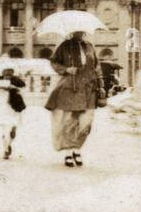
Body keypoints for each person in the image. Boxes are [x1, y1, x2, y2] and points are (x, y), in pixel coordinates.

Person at [44, 30, 106, 167]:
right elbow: (54, 61)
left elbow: (97, 66)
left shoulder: (89, 46)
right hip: (70, 87)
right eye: (76, 31)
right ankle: (70, 152)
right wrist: (66, 69)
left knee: (86, 123)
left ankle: (76, 147)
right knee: (70, 122)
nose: (79, 33)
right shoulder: (64, 46)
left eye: (81, 31)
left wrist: (101, 85)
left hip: (89, 88)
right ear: (71, 32)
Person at [0, 66, 27, 159]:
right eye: (6, 71)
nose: (8, 73)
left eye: (10, 71)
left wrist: (13, 88)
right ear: (2, 73)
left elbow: (22, 88)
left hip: (14, 108)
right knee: (5, 130)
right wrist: (4, 86)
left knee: (12, 132)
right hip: (3, 109)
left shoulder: (17, 82)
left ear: (13, 72)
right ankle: (6, 149)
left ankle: (9, 144)